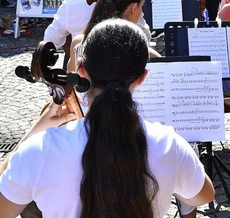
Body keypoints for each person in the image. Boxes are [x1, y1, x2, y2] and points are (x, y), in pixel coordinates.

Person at [0, 19, 214, 217]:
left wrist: (31, 135)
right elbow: (204, 195)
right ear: (142, 78)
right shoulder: (169, 144)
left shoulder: (39, 151)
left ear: (81, 70)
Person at [66, 0, 160, 72]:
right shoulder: (140, 51)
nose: (142, 12)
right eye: (142, 6)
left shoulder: (78, 43)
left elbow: (71, 83)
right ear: (133, 8)